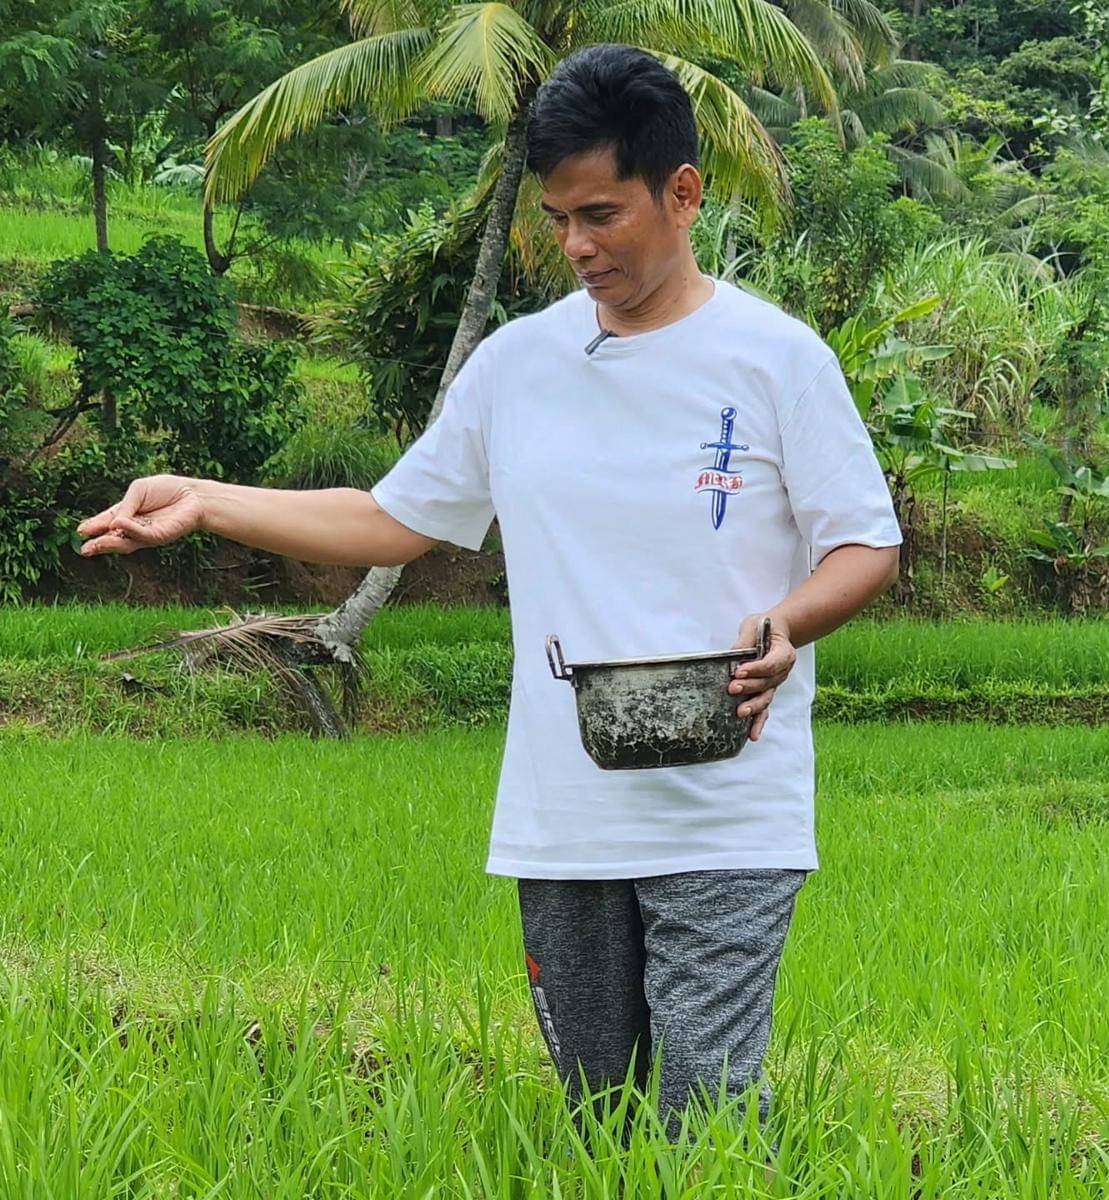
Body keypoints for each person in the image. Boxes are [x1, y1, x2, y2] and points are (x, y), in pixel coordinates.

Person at [78, 44, 901, 1150]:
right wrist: (208, 500)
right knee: (599, 1124)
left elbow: (864, 543)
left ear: (683, 193)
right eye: (558, 219)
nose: (576, 245)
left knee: (706, 1122)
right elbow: (393, 520)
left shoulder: (776, 360)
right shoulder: (518, 364)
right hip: (564, 813)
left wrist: (787, 621)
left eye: (601, 214)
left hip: (727, 801)